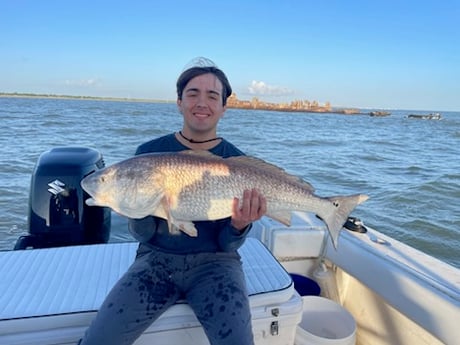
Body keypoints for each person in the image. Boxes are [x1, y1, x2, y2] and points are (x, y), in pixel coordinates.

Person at [79, 57, 267, 345]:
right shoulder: (148, 154)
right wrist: (137, 208)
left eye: (212, 95)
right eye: (192, 93)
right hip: (155, 261)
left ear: (224, 108)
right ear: (179, 102)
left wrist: (239, 225)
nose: (201, 102)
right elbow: (143, 234)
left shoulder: (237, 161)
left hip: (217, 265)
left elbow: (228, 244)